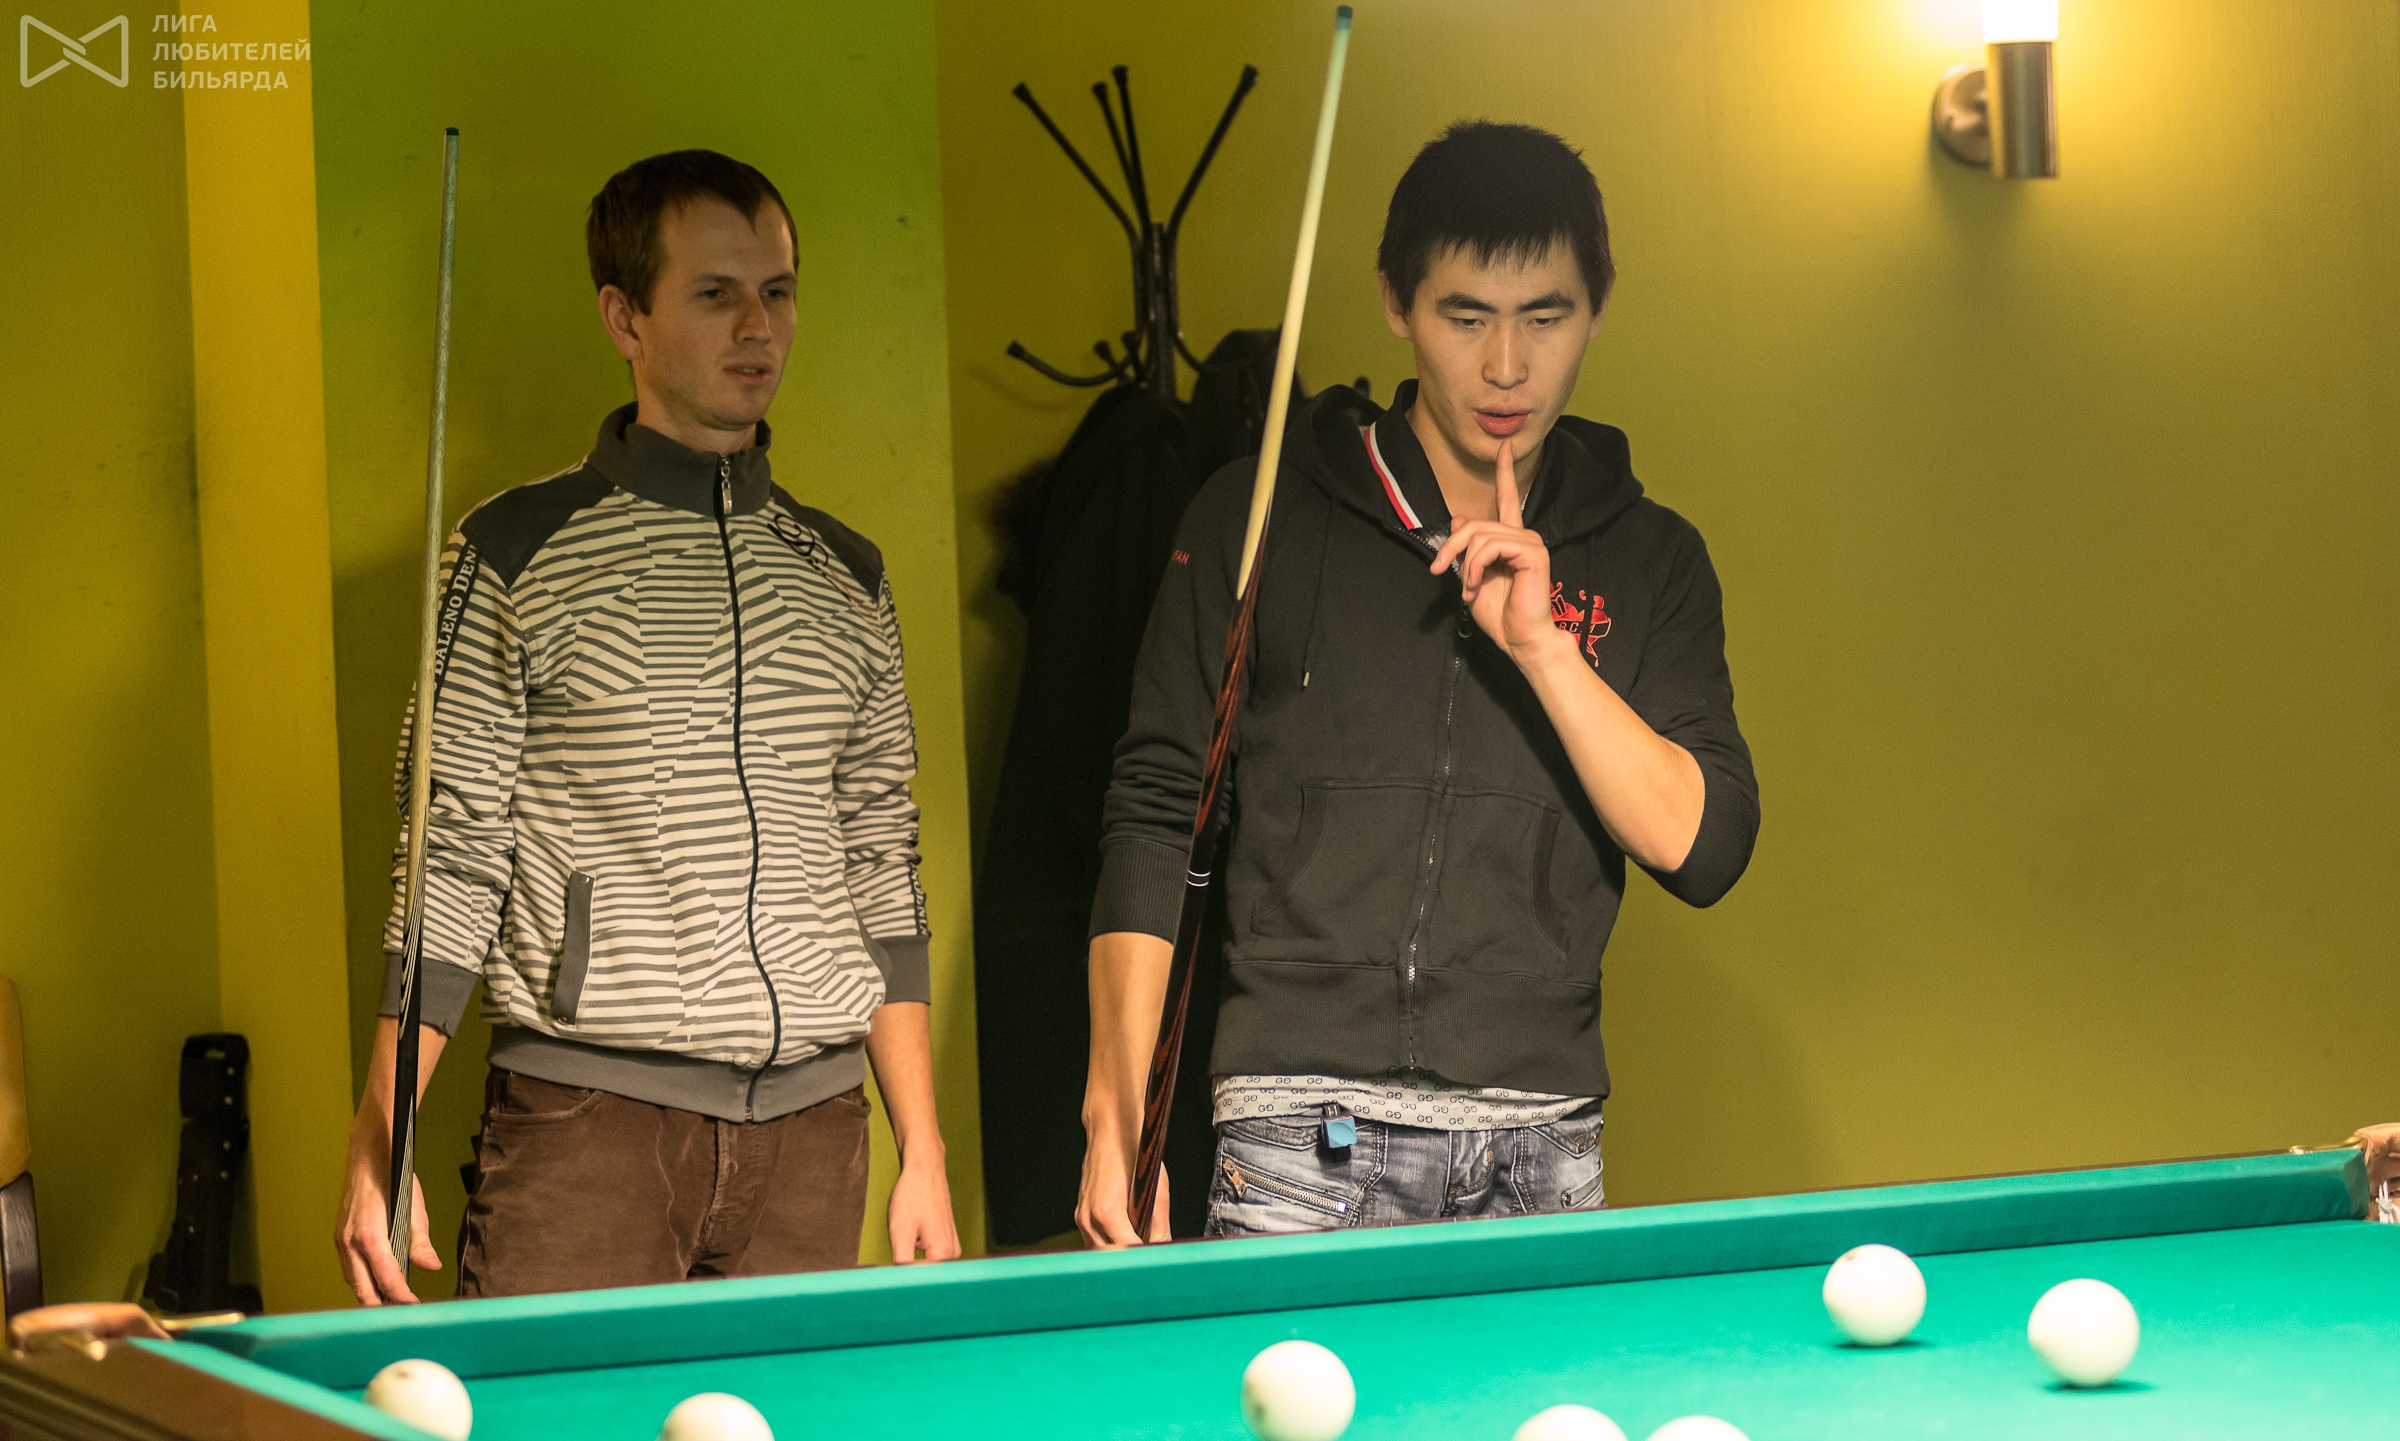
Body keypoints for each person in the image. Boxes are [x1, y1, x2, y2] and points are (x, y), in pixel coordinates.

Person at [1076, 121, 1761, 1245]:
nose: (1508, 367)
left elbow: (1705, 847)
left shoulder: (1651, 556)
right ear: (1396, 301)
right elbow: (1157, 812)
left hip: (1543, 1143)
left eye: (1547, 316)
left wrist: (1546, 651)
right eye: (1466, 316)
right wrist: (1115, 1114)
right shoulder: (1261, 512)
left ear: (1600, 305)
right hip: (1298, 1137)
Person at [334, 150, 960, 1304]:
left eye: (777, 291)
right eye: (715, 293)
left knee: (790, 1408)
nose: (757, 326)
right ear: (624, 317)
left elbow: (882, 864)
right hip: (591, 1129)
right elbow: (448, 863)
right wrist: (384, 1145)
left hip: (818, 1137)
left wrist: (921, 1148)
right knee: (548, 1405)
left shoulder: (846, 577)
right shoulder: (512, 553)